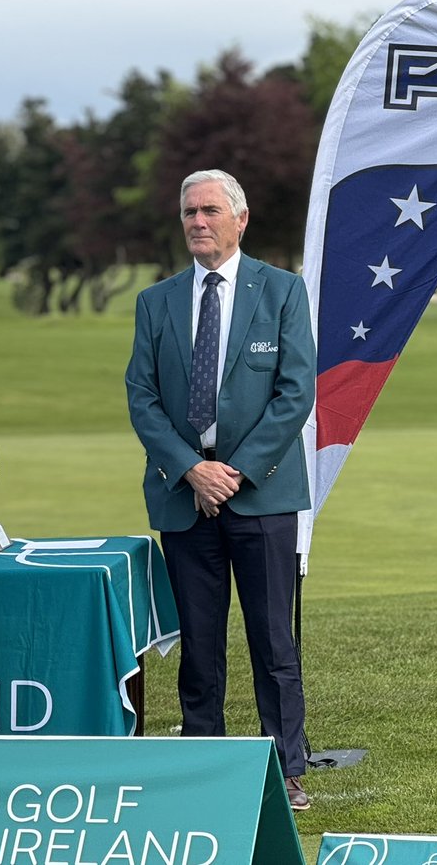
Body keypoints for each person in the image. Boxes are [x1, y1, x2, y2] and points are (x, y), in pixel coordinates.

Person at [125, 170, 316, 810]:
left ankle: (285, 768)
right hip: (185, 496)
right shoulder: (156, 302)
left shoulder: (283, 291)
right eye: (188, 212)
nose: (198, 222)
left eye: (210, 210)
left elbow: (295, 394)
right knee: (198, 645)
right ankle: (205, 761)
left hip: (260, 495)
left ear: (240, 218)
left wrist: (231, 472)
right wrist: (191, 469)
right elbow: (142, 398)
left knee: (272, 641)